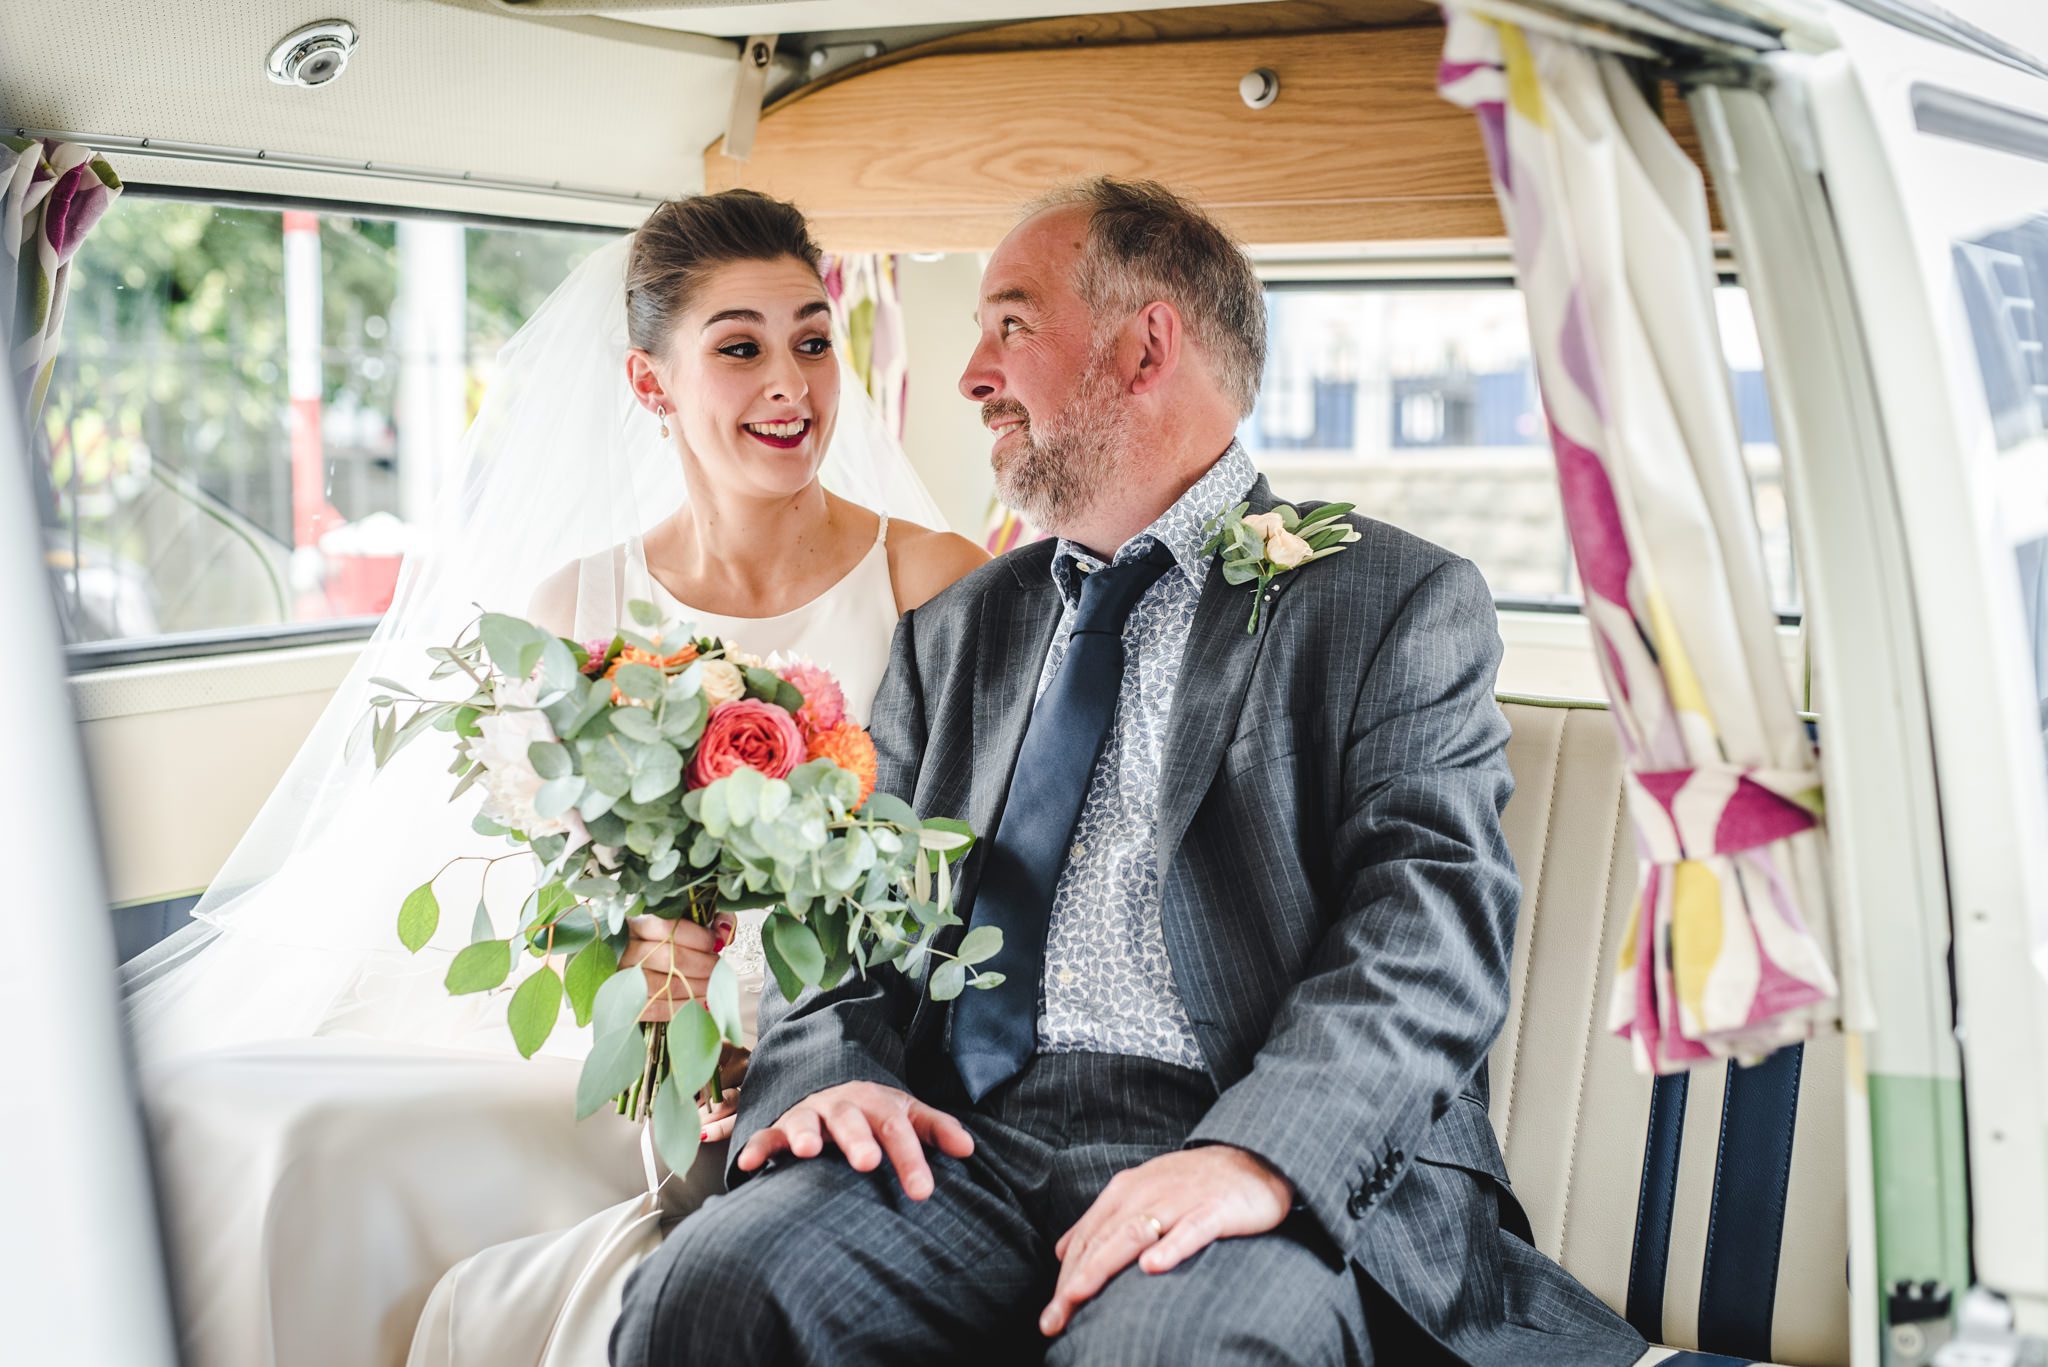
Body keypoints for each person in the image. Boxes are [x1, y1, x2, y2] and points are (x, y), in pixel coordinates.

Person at [609, 178, 1646, 1366]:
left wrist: (1255, 1154)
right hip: (955, 1145)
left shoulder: (1389, 599)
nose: (969, 377)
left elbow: (1428, 928)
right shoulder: (959, 626)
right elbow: (848, 908)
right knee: (706, 1292)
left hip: (1231, 1126)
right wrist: (833, 1073)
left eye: (1007, 323)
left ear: (1144, 343)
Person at [124, 189, 981, 1367]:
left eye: (811, 338)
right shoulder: (574, 610)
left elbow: (969, 864)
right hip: (620, 1038)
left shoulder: (932, 574)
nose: (791, 381)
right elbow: (550, 886)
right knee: (284, 1141)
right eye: (738, 346)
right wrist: (632, 962)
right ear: (650, 384)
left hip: (857, 1035)